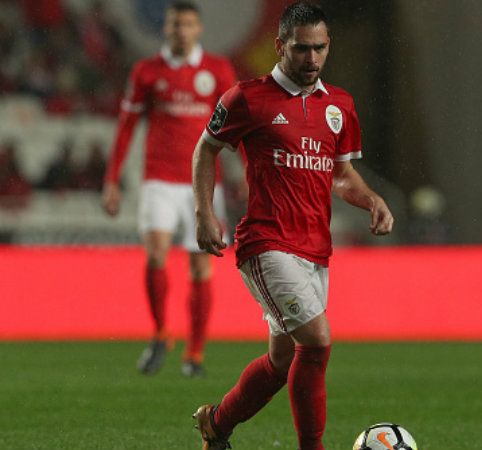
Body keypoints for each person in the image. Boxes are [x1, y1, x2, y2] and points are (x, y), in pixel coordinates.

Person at [190, 3, 393, 449]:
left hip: (316, 249)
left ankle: (217, 424)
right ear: (280, 46)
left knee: (282, 362)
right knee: (317, 343)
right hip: (266, 242)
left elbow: (340, 174)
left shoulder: (338, 105)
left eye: (320, 48)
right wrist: (205, 212)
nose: (312, 59)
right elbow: (206, 149)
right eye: (302, 49)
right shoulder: (247, 97)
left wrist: (372, 199)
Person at [102, 1, 237, 377]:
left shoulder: (218, 70)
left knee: (199, 266)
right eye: (175, 24)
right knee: (156, 252)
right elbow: (127, 124)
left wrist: (250, 172)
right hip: (159, 179)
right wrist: (111, 179)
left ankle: (194, 354)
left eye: (188, 24)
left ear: (199, 29)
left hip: (204, 184)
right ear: (166, 28)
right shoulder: (147, 71)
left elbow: (236, 126)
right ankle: (161, 332)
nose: (181, 30)